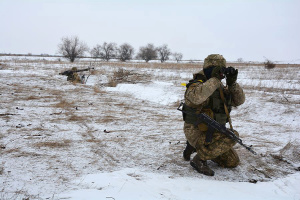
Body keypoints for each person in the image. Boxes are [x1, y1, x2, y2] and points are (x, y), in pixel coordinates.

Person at [182, 54, 245, 176]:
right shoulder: (197, 84)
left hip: (214, 132)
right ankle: (199, 159)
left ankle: (197, 148)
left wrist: (232, 83)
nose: (221, 74)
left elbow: (239, 101)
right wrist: (215, 79)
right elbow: (195, 98)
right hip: (197, 131)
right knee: (233, 136)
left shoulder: (219, 87)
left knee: (232, 162)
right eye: (217, 69)